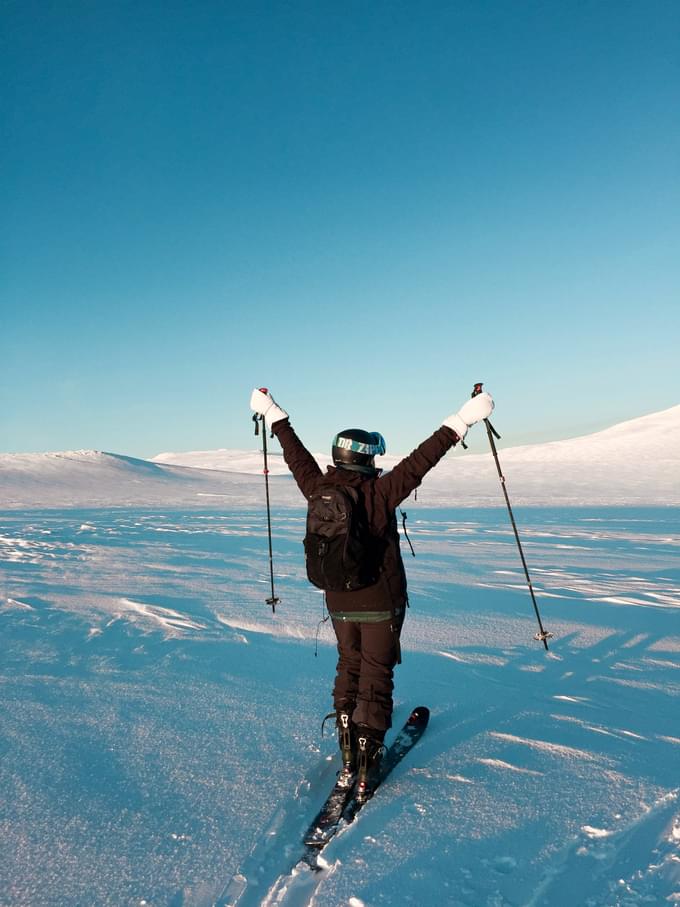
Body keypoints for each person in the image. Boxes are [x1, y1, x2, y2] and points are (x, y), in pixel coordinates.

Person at [249, 386, 494, 798]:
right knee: (376, 678)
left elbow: (296, 455)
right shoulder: (379, 494)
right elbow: (423, 459)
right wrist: (463, 418)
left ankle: (348, 751)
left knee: (350, 666)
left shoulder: (317, 487)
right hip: (381, 601)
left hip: (339, 600)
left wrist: (273, 412)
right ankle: (368, 762)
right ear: (367, 459)